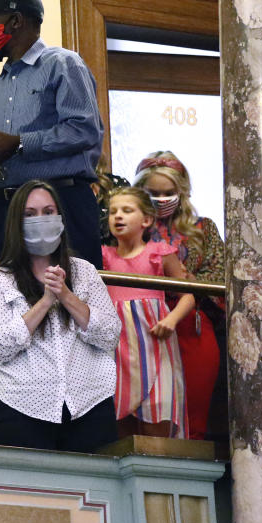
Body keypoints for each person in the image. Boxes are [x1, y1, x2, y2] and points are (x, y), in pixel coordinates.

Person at [0, 0, 104, 443]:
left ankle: (74, 419)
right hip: (3, 208)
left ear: (15, 21)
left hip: (60, 205)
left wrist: (19, 142)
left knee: (69, 307)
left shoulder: (63, 64)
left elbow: (85, 129)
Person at [0, 180, 120, 452]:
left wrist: (66, 295)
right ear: (15, 224)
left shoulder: (85, 272)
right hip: (22, 408)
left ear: (61, 219)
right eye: (29, 215)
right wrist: (45, 302)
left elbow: (110, 335)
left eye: (47, 211)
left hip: (89, 403)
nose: (39, 220)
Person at [134, 151, 224, 440]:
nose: (161, 199)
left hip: (193, 327)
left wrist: (188, 281)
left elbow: (220, 277)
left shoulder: (203, 228)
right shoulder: (133, 228)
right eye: (153, 193)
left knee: (195, 416)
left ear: (181, 192)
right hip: (145, 326)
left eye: (168, 193)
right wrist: (175, 279)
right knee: (149, 415)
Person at [102, 187, 192, 438]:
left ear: (146, 220)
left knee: (159, 411)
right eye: (113, 212)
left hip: (155, 345)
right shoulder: (104, 257)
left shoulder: (159, 253)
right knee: (119, 426)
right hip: (118, 350)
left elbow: (189, 294)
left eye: (127, 211)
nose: (118, 216)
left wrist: (172, 319)